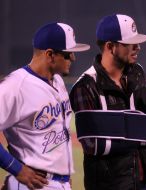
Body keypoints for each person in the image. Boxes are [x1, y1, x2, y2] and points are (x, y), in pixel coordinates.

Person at [69, 14, 146, 190]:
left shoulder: (137, 72)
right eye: (130, 43)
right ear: (110, 46)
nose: (138, 47)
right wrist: (141, 133)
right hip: (110, 185)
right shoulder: (85, 86)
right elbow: (92, 145)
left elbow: (142, 118)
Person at [0, 22, 90, 190]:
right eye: (68, 53)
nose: (73, 58)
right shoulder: (16, 86)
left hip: (57, 183)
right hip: (32, 184)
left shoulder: (58, 80)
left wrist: (63, 176)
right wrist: (16, 168)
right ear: (50, 55)